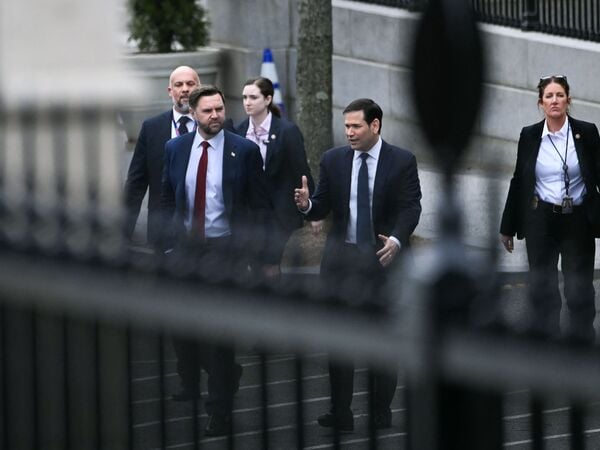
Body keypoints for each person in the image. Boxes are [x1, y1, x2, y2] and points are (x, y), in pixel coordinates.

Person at [294, 98, 422, 431]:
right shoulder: (333, 160)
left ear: (375, 125)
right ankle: (340, 411)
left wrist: (396, 239)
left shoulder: (402, 161)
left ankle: (380, 410)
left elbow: (411, 208)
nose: (349, 133)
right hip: (343, 261)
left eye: (356, 126)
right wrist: (308, 205)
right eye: (346, 126)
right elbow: (321, 205)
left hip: (383, 258)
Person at [161, 85, 276, 436]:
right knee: (184, 331)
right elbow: (168, 197)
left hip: (226, 250)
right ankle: (227, 373)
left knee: (219, 332)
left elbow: (260, 207)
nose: (215, 116)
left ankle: (219, 409)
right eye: (207, 110)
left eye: (219, 109)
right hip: (186, 249)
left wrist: (262, 257)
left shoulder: (244, 151)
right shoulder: (176, 148)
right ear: (193, 114)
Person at [500, 75, 600, 344]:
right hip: (540, 219)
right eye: (549, 96)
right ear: (540, 103)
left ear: (568, 100)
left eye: (559, 95)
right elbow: (519, 180)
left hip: (577, 219)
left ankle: (581, 342)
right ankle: (547, 343)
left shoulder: (587, 132)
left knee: (578, 287)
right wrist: (507, 226)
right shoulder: (530, 135)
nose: (554, 100)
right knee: (543, 287)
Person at [235, 76, 317, 275]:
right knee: (252, 263)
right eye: (245, 97)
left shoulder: (286, 131)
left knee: (270, 264)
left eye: (253, 97)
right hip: (250, 212)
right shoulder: (239, 130)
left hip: (277, 211)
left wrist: (314, 211)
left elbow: (301, 170)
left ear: (268, 99)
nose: (247, 102)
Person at [124, 66, 201, 247]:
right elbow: (136, 182)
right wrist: (122, 233)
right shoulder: (152, 128)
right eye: (178, 84)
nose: (184, 89)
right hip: (162, 229)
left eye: (190, 84)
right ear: (170, 91)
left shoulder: (215, 125)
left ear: (199, 88)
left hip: (206, 229)